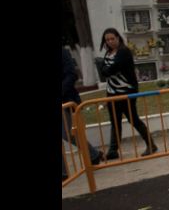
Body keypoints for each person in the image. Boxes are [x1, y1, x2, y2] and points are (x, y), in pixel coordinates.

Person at [98, 28, 157, 160]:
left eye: (112, 38)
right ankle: (113, 151)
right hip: (112, 93)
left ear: (118, 38)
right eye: (107, 39)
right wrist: (104, 70)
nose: (110, 41)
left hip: (126, 93)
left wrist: (104, 69)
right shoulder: (108, 53)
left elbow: (109, 71)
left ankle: (151, 145)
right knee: (115, 121)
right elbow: (104, 72)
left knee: (133, 119)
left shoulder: (123, 52)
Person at [62, 47, 104, 180]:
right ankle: (63, 173)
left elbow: (72, 74)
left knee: (69, 134)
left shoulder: (62, 52)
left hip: (65, 99)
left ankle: (93, 155)